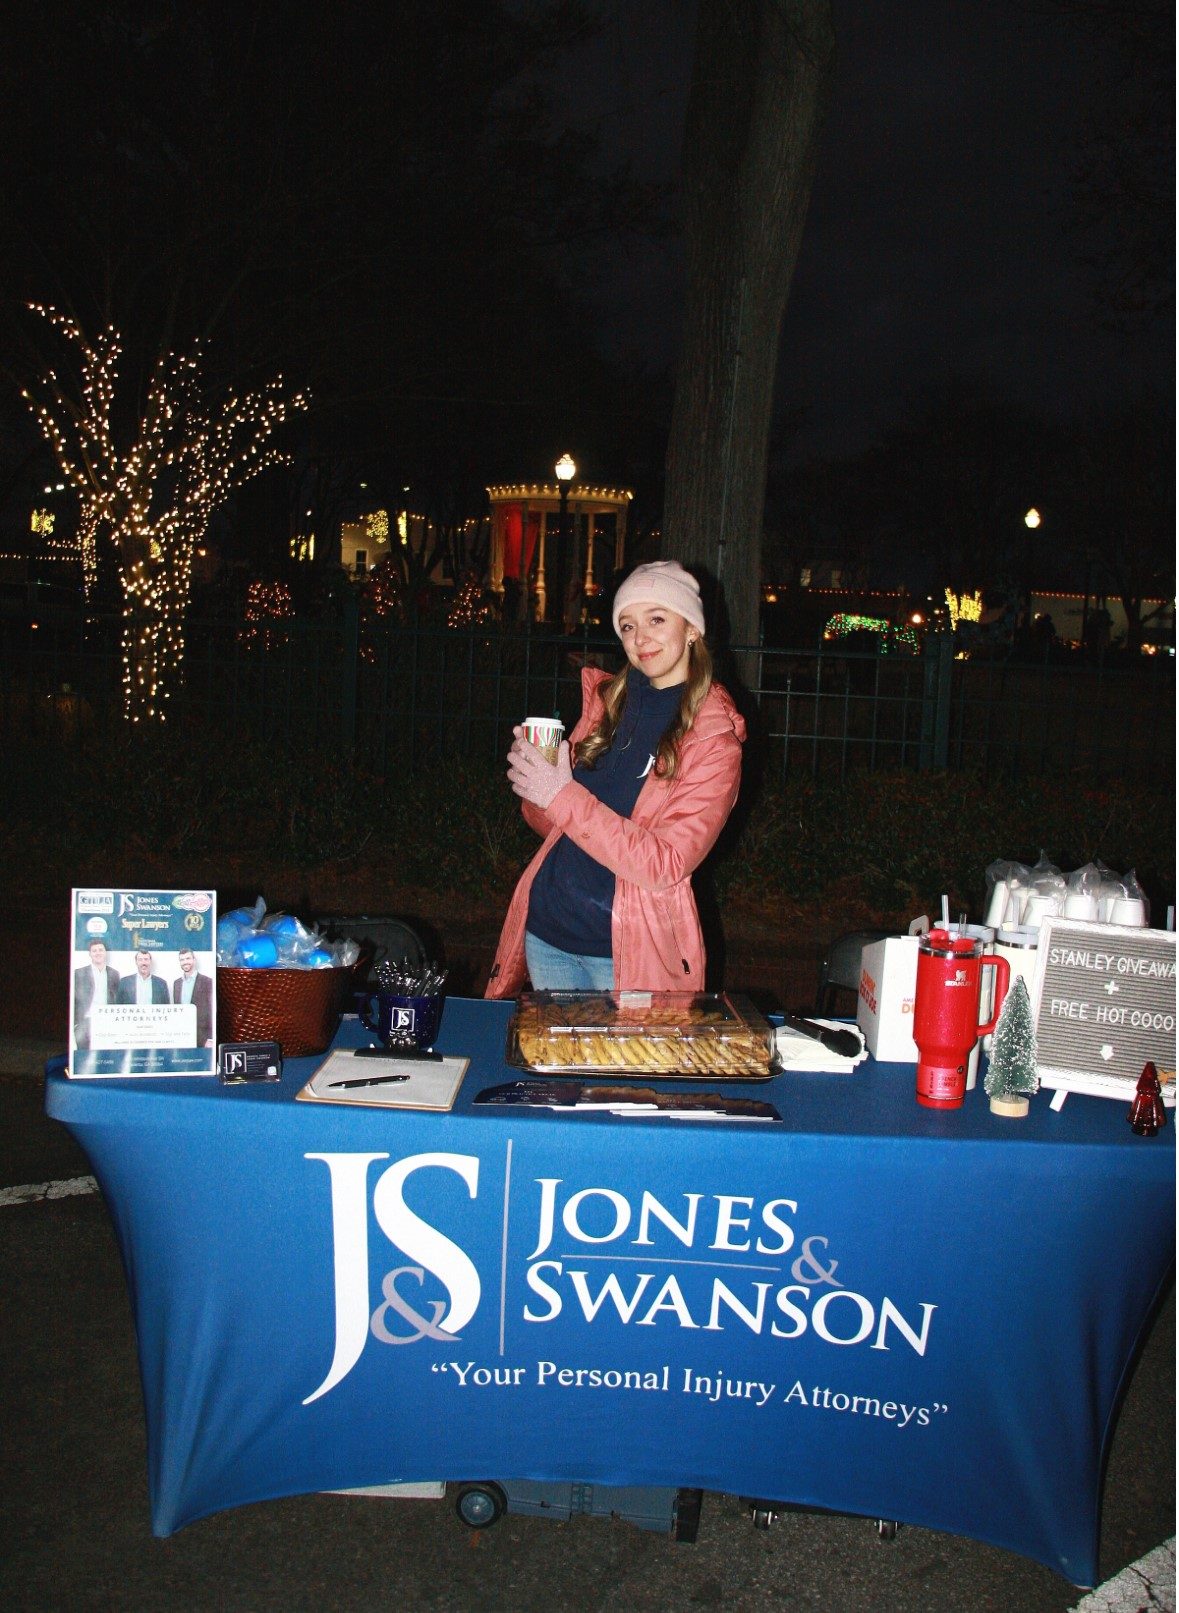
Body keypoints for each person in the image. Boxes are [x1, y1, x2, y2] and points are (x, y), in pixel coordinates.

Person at [486, 560, 745, 997]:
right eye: (626, 625)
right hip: (548, 933)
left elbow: (665, 865)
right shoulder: (608, 706)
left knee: (624, 1067)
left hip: (628, 954)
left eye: (656, 619)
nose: (640, 637)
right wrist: (537, 787)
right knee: (563, 1065)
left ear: (692, 630)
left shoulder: (713, 741)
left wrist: (561, 794)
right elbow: (556, 826)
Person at [73, 939, 120, 1049]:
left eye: (101, 950)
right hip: (86, 1022)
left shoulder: (114, 974)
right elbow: (74, 999)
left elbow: (117, 998)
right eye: (94, 951)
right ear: (90, 954)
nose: (98, 953)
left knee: (106, 1056)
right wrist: (76, 1024)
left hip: (107, 1020)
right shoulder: (79, 973)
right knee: (84, 1057)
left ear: (105, 953)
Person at [173, 947, 214, 1046]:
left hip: (203, 1038)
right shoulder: (177, 983)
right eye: (182, 960)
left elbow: (211, 1010)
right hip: (182, 1036)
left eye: (188, 958)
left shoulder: (207, 982)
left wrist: (210, 1038)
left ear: (194, 960)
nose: (185, 962)